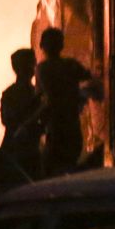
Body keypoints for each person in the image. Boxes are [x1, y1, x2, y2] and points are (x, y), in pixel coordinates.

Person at [36, 26, 95, 176]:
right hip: (72, 125)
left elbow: (44, 98)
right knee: (69, 165)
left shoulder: (43, 68)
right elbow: (88, 75)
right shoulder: (71, 65)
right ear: (61, 45)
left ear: (42, 46)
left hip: (56, 128)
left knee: (49, 171)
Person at [0, 46, 43, 179]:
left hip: (13, 150)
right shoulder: (36, 94)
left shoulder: (9, 93)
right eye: (31, 63)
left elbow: (6, 120)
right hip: (24, 151)